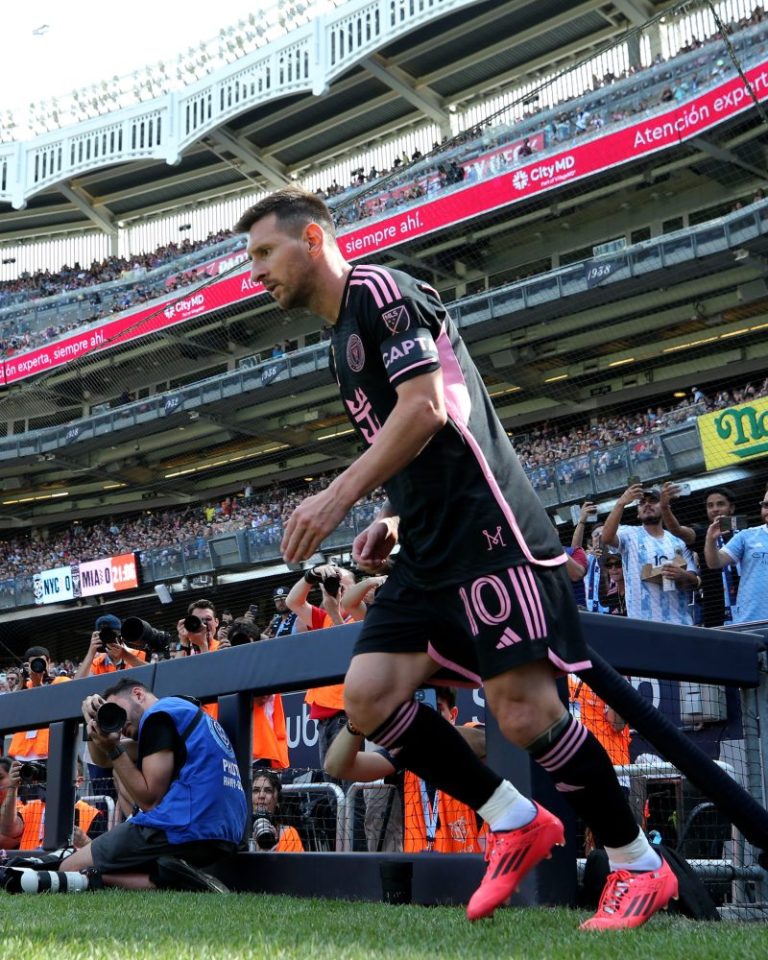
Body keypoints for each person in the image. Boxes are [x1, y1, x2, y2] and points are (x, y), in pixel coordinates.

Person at [235, 187, 677, 931]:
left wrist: (337, 498)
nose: (255, 273)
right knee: (368, 696)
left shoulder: (382, 291)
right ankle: (514, 819)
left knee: (524, 712)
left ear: (312, 239)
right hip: (428, 542)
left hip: (485, 528)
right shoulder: (340, 340)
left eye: (263, 253)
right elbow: (426, 432)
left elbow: (428, 407)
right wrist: (390, 516)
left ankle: (639, 864)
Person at [3, 679, 247, 894]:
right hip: (224, 834)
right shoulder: (182, 714)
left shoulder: (158, 715)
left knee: (71, 867)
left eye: (116, 709)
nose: (118, 724)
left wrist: (113, 748)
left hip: (185, 825)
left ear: (138, 694)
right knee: (94, 860)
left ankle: (179, 883)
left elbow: (150, 800)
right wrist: (94, 723)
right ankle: (178, 876)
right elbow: (103, 760)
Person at [325, 687, 486, 854]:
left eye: (435, 709)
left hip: (468, 865)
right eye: (417, 712)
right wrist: (356, 723)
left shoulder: (472, 739)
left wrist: (434, 732)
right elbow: (336, 767)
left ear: (453, 715)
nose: (426, 719)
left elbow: (487, 741)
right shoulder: (406, 752)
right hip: (419, 866)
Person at [601, 484, 699, 626]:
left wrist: (682, 576)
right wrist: (621, 503)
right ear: (637, 513)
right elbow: (606, 538)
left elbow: (694, 582)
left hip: (679, 624)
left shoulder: (678, 540)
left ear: (663, 506)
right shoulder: (628, 534)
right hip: (642, 626)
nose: (647, 504)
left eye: (653, 500)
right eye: (642, 502)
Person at [661, 484, 740, 627]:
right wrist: (664, 507)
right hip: (715, 614)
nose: (715, 509)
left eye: (720, 504)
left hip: (748, 611)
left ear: (732, 508)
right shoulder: (703, 534)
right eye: (710, 506)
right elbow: (677, 530)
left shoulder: (745, 534)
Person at [703, 489, 768, 625]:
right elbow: (715, 562)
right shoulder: (747, 535)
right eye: (766, 505)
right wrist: (711, 539)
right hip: (751, 621)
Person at [6, 647, 70, 762]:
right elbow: (12, 711)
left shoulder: (61, 682)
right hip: (21, 751)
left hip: (48, 750)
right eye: (32, 663)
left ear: (48, 662)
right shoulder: (25, 686)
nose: (37, 666)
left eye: (40, 662)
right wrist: (22, 680)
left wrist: (38, 684)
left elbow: (53, 707)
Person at [74, 615, 148, 679]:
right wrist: (91, 652)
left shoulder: (138, 654)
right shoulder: (96, 663)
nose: (107, 638)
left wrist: (124, 654)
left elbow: (150, 673)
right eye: (103, 636)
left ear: (121, 636)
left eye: (111, 634)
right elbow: (76, 685)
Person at [250, 770, 304, 852]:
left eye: (268, 791)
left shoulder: (288, 834)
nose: (261, 796)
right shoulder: (238, 832)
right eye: (256, 790)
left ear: (277, 800)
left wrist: (272, 850)